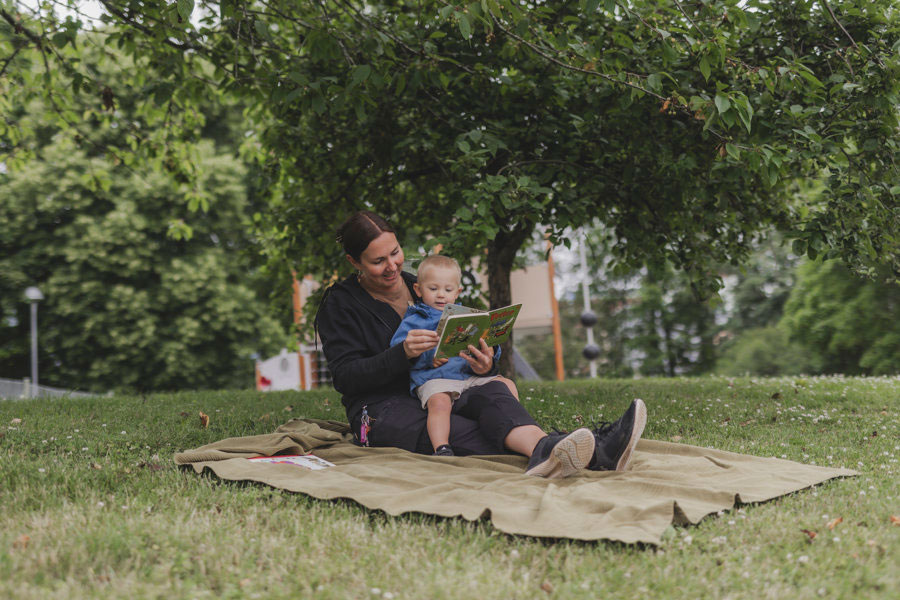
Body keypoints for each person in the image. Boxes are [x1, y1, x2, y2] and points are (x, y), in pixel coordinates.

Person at [314, 210, 647, 478]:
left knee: (495, 395)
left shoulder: (426, 285)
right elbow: (346, 378)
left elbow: (464, 336)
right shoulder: (340, 305)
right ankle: (592, 452)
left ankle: (562, 449)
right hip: (384, 408)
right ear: (354, 262)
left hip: (451, 383)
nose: (393, 266)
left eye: (396, 252)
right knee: (464, 431)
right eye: (377, 261)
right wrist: (400, 354)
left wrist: (486, 362)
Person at [389, 254, 516, 457]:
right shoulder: (414, 319)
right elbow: (398, 349)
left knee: (507, 384)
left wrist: (491, 352)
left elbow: (486, 343)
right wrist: (427, 358)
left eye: (448, 290)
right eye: (433, 289)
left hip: (468, 375)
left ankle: (515, 424)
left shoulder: (466, 316)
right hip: (435, 378)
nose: (441, 295)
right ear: (418, 290)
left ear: (457, 292)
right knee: (439, 402)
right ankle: (441, 447)